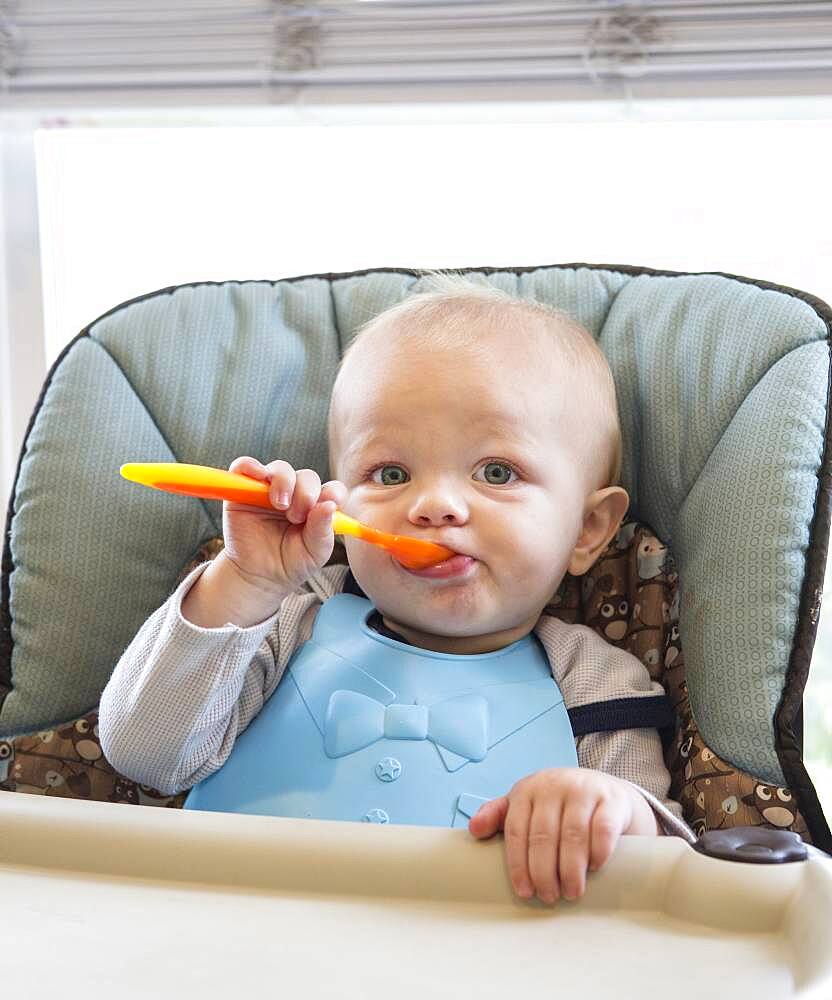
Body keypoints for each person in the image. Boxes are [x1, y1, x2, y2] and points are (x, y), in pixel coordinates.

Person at [99, 272, 694, 906]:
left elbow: (664, 880)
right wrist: (247, 580)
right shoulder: (290, 618)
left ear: (587, 528)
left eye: (497, 472)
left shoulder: (597, 680)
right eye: (390, 472)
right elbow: (147, 754)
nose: (435, 504)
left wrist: (615, 811)